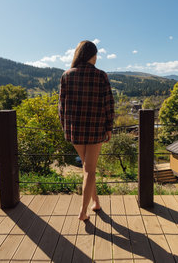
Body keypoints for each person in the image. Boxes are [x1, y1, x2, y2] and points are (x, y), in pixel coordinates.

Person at [59, 40, 115, 221]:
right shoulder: (101, 76)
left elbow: (61, 106)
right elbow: (109, 104)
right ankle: (83, 212)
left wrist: (65, 128)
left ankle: (96, 202)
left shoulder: (66, 75)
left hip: (75, 130)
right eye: (96, 55)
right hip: (95, 128)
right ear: (92, 55)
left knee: (87, 168)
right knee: (90, 169)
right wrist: (109, 128)